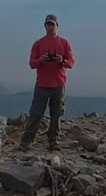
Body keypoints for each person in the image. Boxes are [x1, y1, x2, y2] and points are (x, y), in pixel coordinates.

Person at [18, 13, 74, 151]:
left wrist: (61, 61)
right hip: (42, 84)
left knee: (56, 114)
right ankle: (26, 141)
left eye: (52, 24)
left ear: (57, 26)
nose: (50, 27)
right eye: (48, 24)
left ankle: (53, 141)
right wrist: (40, 60)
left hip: (58, 83)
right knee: (36, 113)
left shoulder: (64, 43)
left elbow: (71, 62)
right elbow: (32, 63)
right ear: (45, 26)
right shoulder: (38, 44)